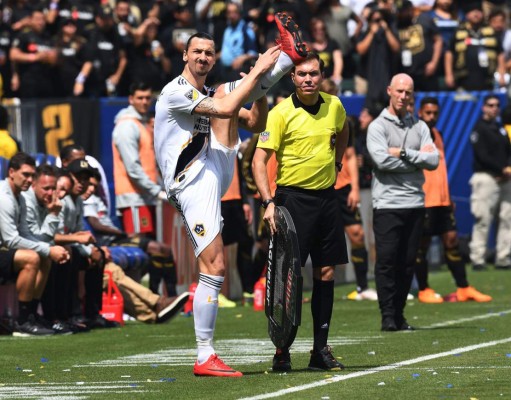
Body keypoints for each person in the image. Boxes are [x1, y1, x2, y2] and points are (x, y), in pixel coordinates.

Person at [154, 12, 309, 377]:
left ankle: (286, 59)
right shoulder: (175, 91)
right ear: (185, 56)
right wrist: (257, 73)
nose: (204, 58)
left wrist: (260, 91)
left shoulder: (209, 91)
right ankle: (204, 355)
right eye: (197, 52)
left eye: (209, 53)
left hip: (214, 166)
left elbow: (256, 123)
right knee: (216, 267)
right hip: (191, 180)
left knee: (229, 91)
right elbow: (224, 109)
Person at [252, 52, 349, 372]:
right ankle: (282, 350)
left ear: (321, 76)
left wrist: (338, 161)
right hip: (291, 202)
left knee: (326, 273)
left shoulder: (334, 105)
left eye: (313, 74)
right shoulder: (280, 113)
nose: (308, 79)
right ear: (292, 78)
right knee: (285, 279)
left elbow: (344, 130)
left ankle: (320, 350)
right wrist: (268, 203)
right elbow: (258, 161)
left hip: (327, 201)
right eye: (302, 74)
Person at [367, 73, 439, 332]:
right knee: (386, 260)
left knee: (408, 261)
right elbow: (381, 161)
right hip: (387, 204)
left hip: (415, 203)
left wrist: (405, 153)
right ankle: (387, 315)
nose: (402, 96)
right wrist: (417, 160)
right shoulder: (377, 126)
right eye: (399, 91)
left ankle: (399, 313)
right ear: (389, 91)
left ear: (412, 94)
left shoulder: (420, 126)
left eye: (407, 92)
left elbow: (434, 161)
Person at [80, 174, 190, 323]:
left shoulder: (83, 201)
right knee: (111, 271)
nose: (91, 189)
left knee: (112, 270)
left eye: (94, 185)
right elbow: (79, 233)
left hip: (95, 249)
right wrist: (100, 247)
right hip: (101, 245)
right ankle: (157, 302)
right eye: (88, 184)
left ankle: (152, 314)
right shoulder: (76, 203)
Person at [415, 97, 492, 303]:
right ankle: (423, 289)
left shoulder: (438, 134)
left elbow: (440, 170)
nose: (432, 117)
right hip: (424, 200)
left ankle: (463, 287)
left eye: (435, 113)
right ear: (420, 112)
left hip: (442, 200)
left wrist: (447, 196)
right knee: (421, 245)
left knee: (452, 241)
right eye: (428, 113)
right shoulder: (415, 134)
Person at [112, 81, 177, 295]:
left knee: (148, 252)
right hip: (133, 199)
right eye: (139, 97)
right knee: (138, 250)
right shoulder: (127, 125)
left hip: (144, 197)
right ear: (130, 99)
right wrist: (155, 190)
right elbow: (133, 168)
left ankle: (148, 298)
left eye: (147, 97)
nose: (144, 102)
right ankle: (135, 299)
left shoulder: (140, 124)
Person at [0, 152, 70, 336]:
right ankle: (22, 322)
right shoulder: (4, 197)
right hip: (4, 247)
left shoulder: (20, 197)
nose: (29, 180)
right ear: (11, 172)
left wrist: (50, 249)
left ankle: (31, 316)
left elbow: (26, 234)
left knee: (44, 258)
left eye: (32, 175)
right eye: (26, 174)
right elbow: (11, 239)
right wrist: (48, 248)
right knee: (32, 257)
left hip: (4, 250)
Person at [320, 79, 376, 301]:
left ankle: (362, 287)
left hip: (341, 188)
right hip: (318, 187)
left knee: (358, 235)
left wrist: (353, 188)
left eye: (335, 94)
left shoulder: (344, 120)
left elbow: (351, 156)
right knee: (319, 241)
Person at [469, 95, 511, 271]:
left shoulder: (500, 128)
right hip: (486, 178)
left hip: (505, 179)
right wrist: (502, 168)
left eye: (497, 105)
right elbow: (482, 156)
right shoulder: (479, 128)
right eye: (490, 105)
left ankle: (503, 257)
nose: (494, 108)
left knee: (507, 219)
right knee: (483, 219)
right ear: (483, 107)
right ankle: (478, 258)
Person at [444, 2, 506, 91]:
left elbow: (500, 54)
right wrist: (449, 75)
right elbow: (449, 53)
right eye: (473, 11)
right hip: (463, 79)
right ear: (467, 14)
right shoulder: (458, 31)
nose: (476, 14)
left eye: (479, 11)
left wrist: (501, 75)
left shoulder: (491, 31)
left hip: (487, 79)